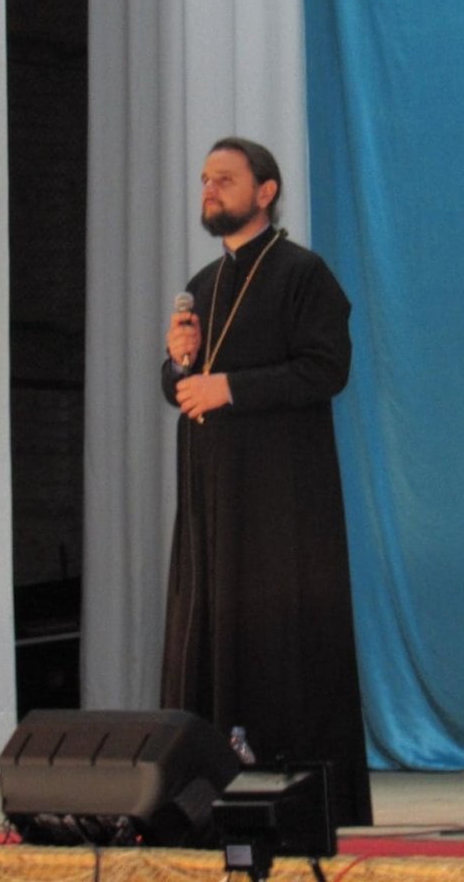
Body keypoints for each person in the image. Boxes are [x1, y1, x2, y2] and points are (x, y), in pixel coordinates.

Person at [161, 136, 373, 828]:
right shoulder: (201, 284)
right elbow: (183, 389)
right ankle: (198, 795)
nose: (209, 189)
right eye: (204, 179)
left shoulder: (304, 274)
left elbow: (325, 369)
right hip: (211, 502)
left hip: (282, 504)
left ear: (266, 191)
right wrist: (178, 366)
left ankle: (296, 797)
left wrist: (229, 388)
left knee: (280, 644)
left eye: (224, 179)